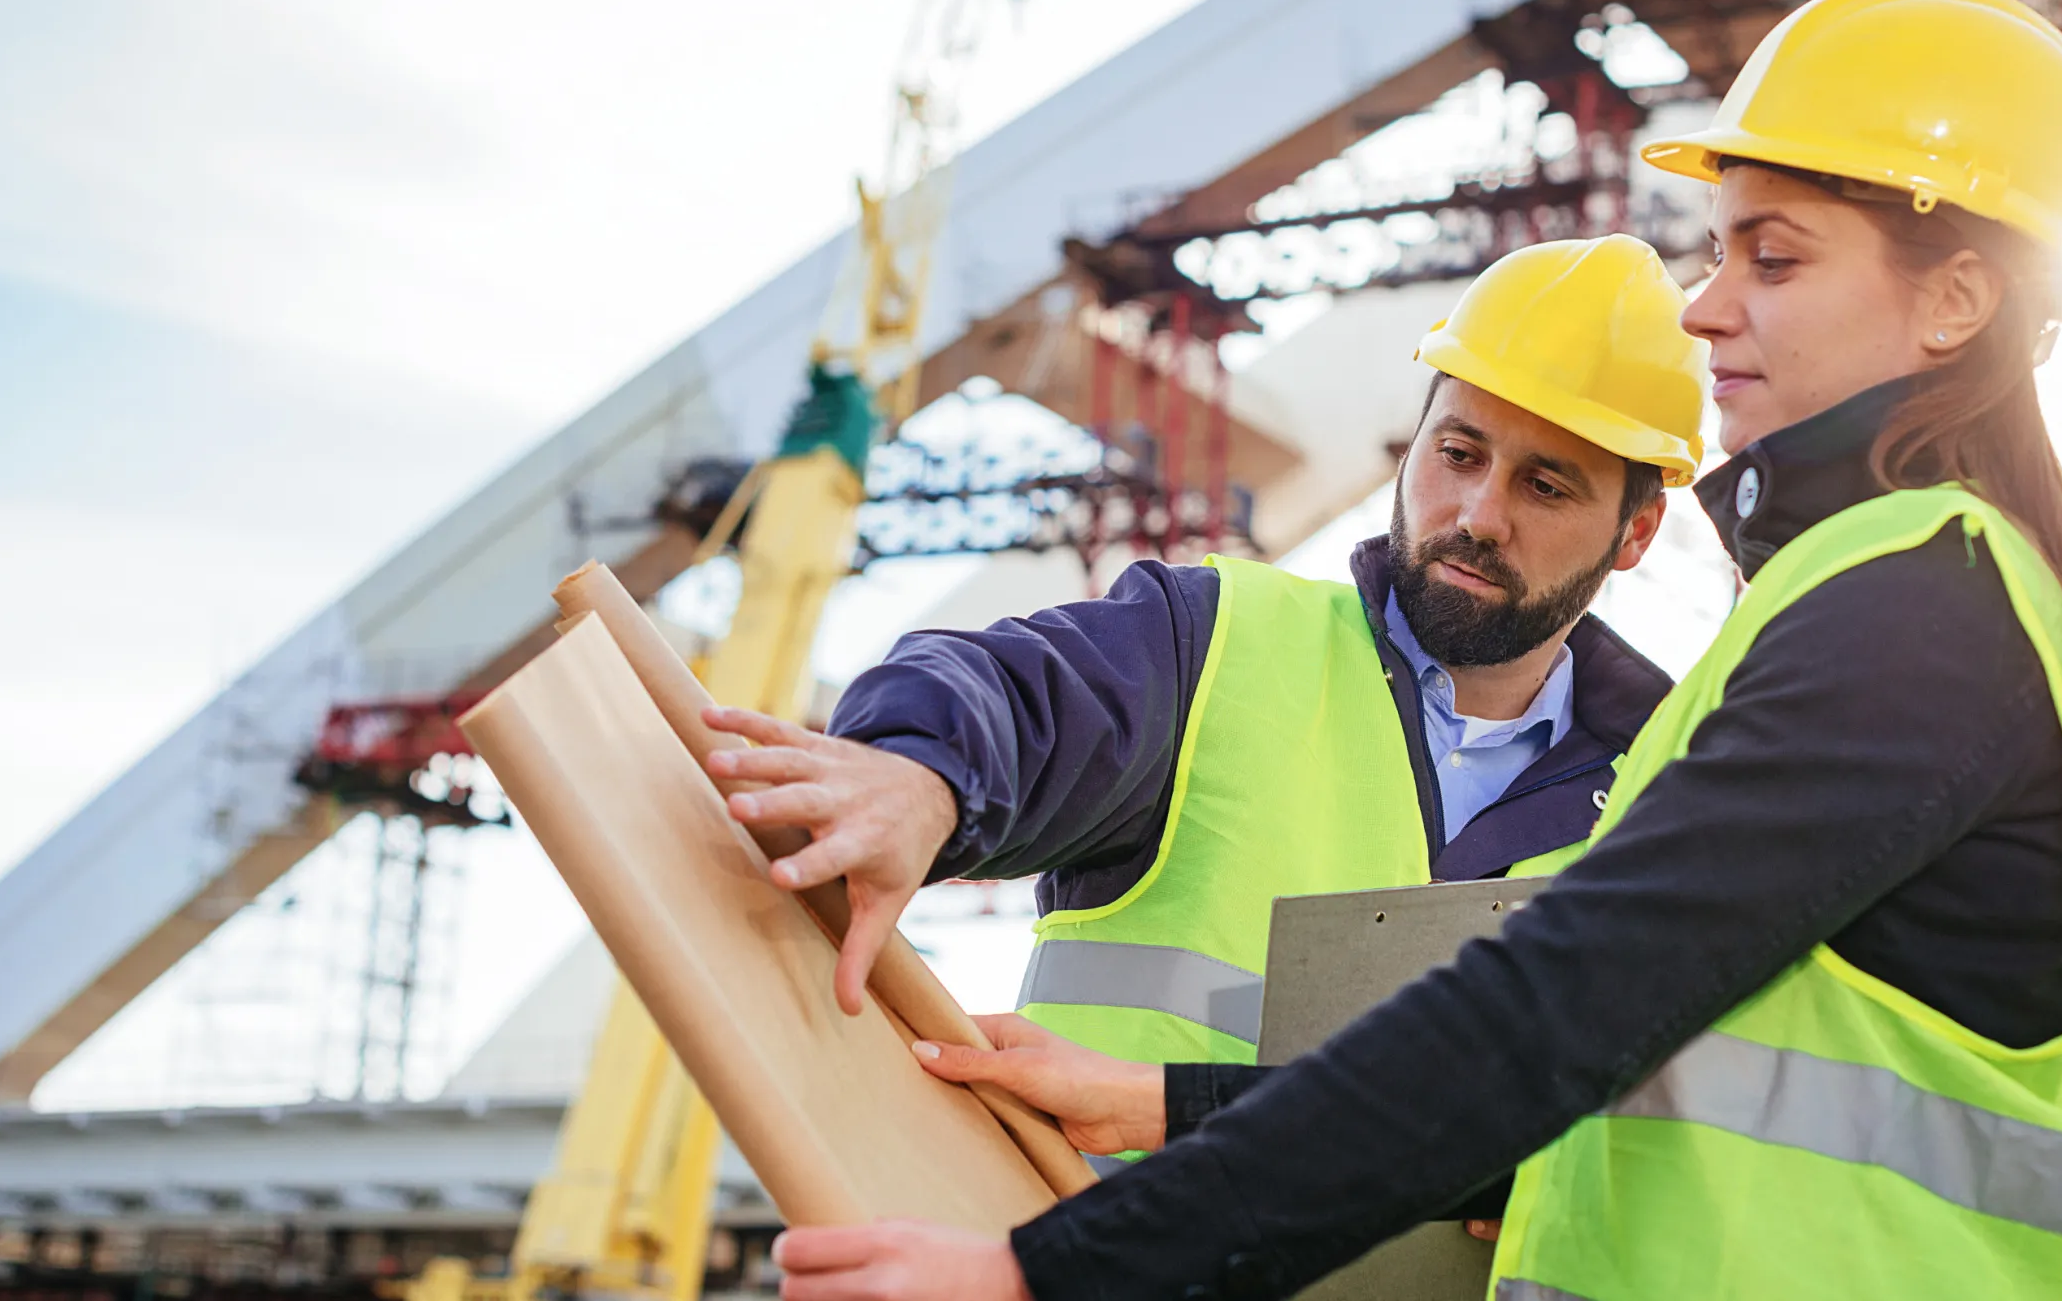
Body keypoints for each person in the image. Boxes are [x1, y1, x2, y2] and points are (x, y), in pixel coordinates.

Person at [769, 0, 2062, 1301]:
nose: (1709, 307)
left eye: (1774, 257)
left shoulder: (1914, 615)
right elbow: (1622, 1068)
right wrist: (1160, 1100)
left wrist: (1050, 1273)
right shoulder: (1947, 607)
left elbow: (1551, 1014)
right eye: (1718, 253)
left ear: (1954, 300)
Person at [704, 233, 1710, 1090]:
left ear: (1634, 533)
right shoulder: (1215, 641)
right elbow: (1015, 695)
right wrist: (921, 773)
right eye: (1456, 454)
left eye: (1544, 484)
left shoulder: (1673, 801)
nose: (1477, 515)